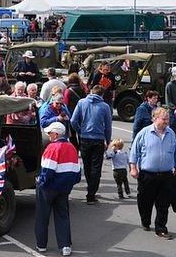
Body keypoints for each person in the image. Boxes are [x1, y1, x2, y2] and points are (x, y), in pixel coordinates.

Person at [129, 107, 176, 240]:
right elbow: (134, 152)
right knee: (145, 201)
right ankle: (145, 221)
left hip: (166, 175)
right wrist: (133, 167)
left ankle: (161, 228)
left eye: (167, 119)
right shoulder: (144, 133)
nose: (166, 122)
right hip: (147, 175)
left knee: (163, 204)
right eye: (163, 119)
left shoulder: (171, 133)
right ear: (154, 118)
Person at [34, 122, 80, 256]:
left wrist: (40, 181)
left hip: (48, 188)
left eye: (49, 133)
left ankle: (41, 245)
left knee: (42, 216)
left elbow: (47, 171)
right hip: (64, 188)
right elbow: (77, 172)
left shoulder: (52, 148)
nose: (48, 135)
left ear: (55, 134)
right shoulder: (72, 147)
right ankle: (65, 246)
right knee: (62, 216)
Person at [71, 85, 112, 205]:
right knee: (96, 167)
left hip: (84, 138)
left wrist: (80, 131)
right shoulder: (104, 106)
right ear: (102, 95)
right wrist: (108, 140)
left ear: (90, 92)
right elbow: (108, 126)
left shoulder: (82, 102)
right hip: (98, 139)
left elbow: (73, 121)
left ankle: (91, 188)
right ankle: (91, 193)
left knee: (87, 165)